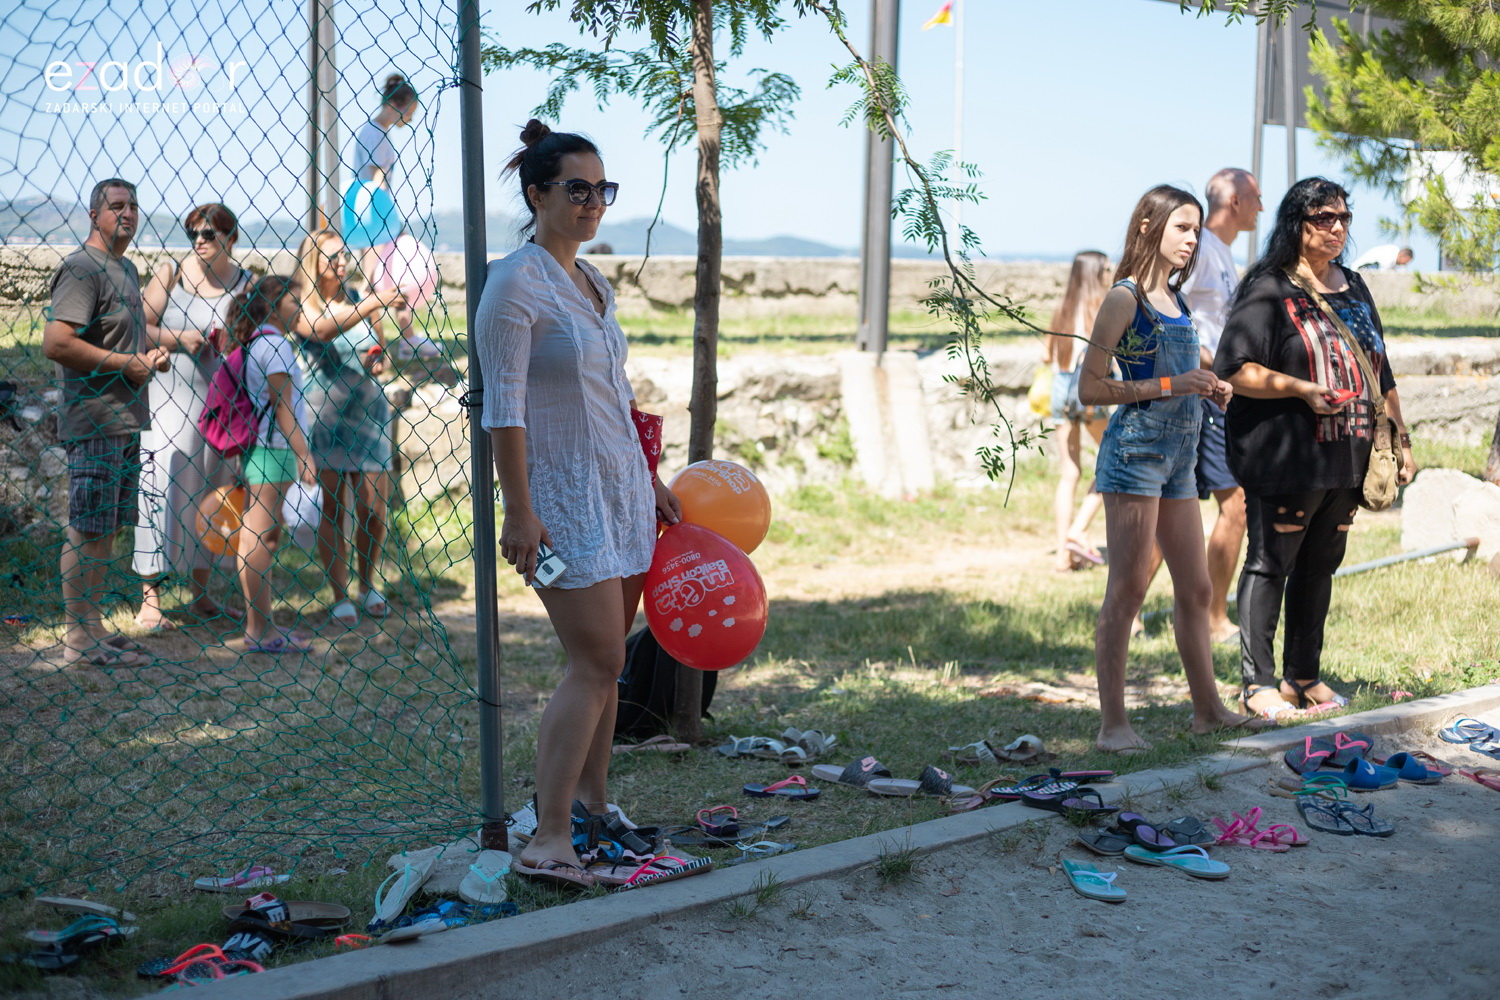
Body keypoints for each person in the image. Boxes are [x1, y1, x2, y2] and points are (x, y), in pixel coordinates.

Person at [476, 120, 684, 888]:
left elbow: (613, 393)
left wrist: (649, 478)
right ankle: (549, 837)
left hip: (622, 491)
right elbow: (505, 409)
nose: (593, 202)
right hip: (559, 499)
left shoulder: (593, 282)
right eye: (577, 189)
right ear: (538, 195)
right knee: (596, 661)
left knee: (609, 664)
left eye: (602, 189)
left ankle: (594, 810)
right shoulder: (514, 283)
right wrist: (518, 510)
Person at [1214, 177, 1417, 719]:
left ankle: (1302, 677)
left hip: (1348, 455)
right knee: (1270, 563)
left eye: (1344, 218)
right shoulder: (1268, 289)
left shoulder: (1354, 285)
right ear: (1296, 224)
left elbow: (1380, 369)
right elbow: (1233, 370)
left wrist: (1401, 439)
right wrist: (1300, 389)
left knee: (1320, 566)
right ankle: (1256, 685)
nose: (1337, 228)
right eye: (1324, 218)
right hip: (1287, 455)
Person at [1076, 185, 1268, 753]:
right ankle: (1113, 727)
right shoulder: (1125, 299)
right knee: (1128, 588)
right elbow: (1090, 388)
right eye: (1182, 227)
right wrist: (1173, 383)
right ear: (1147, 226)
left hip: (1179, 462)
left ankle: (1208, 712)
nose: (1192, 239)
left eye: (1196, 230)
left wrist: (1212, 384)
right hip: (1134, 457)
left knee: (1197, 586)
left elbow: (1190, 367)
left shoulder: (1179, 302)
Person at [42, 178, 169, 668]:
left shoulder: (127, 268)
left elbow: (120, 341)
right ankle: (78, 639)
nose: (128, 213)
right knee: (86, 528)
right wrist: (125, 364)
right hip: (94, 418)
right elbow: (56, 343)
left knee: (107, 528)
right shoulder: (82, 267)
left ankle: (93, 628)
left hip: (124, 419)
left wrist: (149, 356)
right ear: (94, 215)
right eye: (117, 205)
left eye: (134, 205)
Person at [132, 202, 251, 631]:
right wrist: (179, 339)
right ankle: (150, 600)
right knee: (159, 491)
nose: (199, 241)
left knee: (213, 495)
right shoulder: (171, 273)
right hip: (169, 402)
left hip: (222, 410)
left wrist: (231, 344)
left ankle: (201, 596)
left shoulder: (247, 283)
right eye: (193, 234)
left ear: (230, 239)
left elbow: (256, 336)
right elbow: (136, 326)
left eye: (208, 234)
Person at [291, 230, 405, 626]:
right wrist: (375, 300)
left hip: (369, 415)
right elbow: (322, 330)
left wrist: (378, 359)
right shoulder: (301, 303)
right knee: (332, 507)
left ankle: (367, 584)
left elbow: (381, 353)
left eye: (344, 255)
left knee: (373, 507)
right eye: (332, 256)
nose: (342, 262)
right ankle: (339, 592)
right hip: (324, 419)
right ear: (313, 262)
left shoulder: (360, 298)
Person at [1178, 168, 1262, 644]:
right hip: (1203, 395)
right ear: (1234, 200)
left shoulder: (1221, 251)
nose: (1261, 207)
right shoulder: (1202, 250)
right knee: (1237, 507)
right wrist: (1213, 366)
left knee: (1177, 508)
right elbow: (1168, 313)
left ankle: (1135, 612)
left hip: (1213, 393)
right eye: (1256, 197)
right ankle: (1211, 618)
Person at [233, 275, 318, 654]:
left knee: (259, 536)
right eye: (294, 302)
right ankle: (259, 631)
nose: (300, 309)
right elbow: (283, 407)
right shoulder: (276, 345)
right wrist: (304, 455)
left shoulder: (259, 341)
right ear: (272, 305)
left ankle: (262, 624)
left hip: (264, 450)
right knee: (260, 537)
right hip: (274, 450)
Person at [351, 72, 438, 360]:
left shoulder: (375, 131)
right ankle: (378, 344)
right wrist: (387, 221)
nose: (411, 119)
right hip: (374, 215)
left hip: (372, 213)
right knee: (373, 283)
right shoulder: (375, 134)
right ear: (396, 106)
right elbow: (377, 180)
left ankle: (405, 340)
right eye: (410, 112)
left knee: (396, 273)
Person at [1043, 250, 1112, 572]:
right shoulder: (1101, 308)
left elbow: (1047, 356)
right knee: (1112, 461)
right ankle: (1078, 529)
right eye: (1107, 269)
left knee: (1069, 473)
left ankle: (1062, 556)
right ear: (1096, 274)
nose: (1110, 274)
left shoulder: (1063, 308)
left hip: (1060, 388)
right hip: (1088, 391)